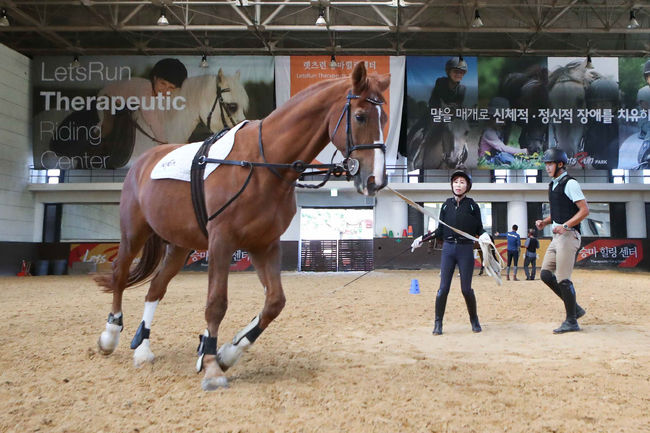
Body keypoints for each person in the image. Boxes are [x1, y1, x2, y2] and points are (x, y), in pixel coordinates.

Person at [411, 170, 490, 335]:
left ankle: (474, 319)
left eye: (462, 182)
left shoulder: (472, 205)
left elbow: (479, 228)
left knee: (466, 289)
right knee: (443, 288)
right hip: (448, 249)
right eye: (455, 182)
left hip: (465, 249)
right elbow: (440, 230)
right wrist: (421, 239)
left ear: (467, 186)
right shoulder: (446, 205)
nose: (458, 185)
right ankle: (438, 323)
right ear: (452, 185)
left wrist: (484, 236)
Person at [536, 148, 590, 334]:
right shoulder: (553, 185)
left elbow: (584, 211)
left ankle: (572, 321)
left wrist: (566, 226)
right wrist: (545, 221)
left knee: (563, 279)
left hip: (568, 236)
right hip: (557, 236)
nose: (547, 167)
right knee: (545, 274)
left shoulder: (570, 183)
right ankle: (575, 308)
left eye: (550, 164)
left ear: (560, 164)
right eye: (546, 164)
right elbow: (560, 211)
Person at [98, 58, 188, 144]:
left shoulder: (161, 94)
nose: (165, 90)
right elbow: (151, 118)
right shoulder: (144, 88)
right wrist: (162, 141)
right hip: (108, 98)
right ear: (155, 78)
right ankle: (95, 149)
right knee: (108, 126)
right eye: (163, 83)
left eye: (171, 87)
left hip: (124, 104)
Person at [478, 97, 528, 165]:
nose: (503, 123)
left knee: (506, 155)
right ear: (492, 118)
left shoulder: (497, 131)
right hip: (487, 159)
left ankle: (519, 160)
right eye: (501, 120)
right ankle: (517, 162)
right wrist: (522, 151)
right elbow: (503, 148)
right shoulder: (489, 133)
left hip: (495, 155)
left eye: (504, 120)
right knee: (503, 156)